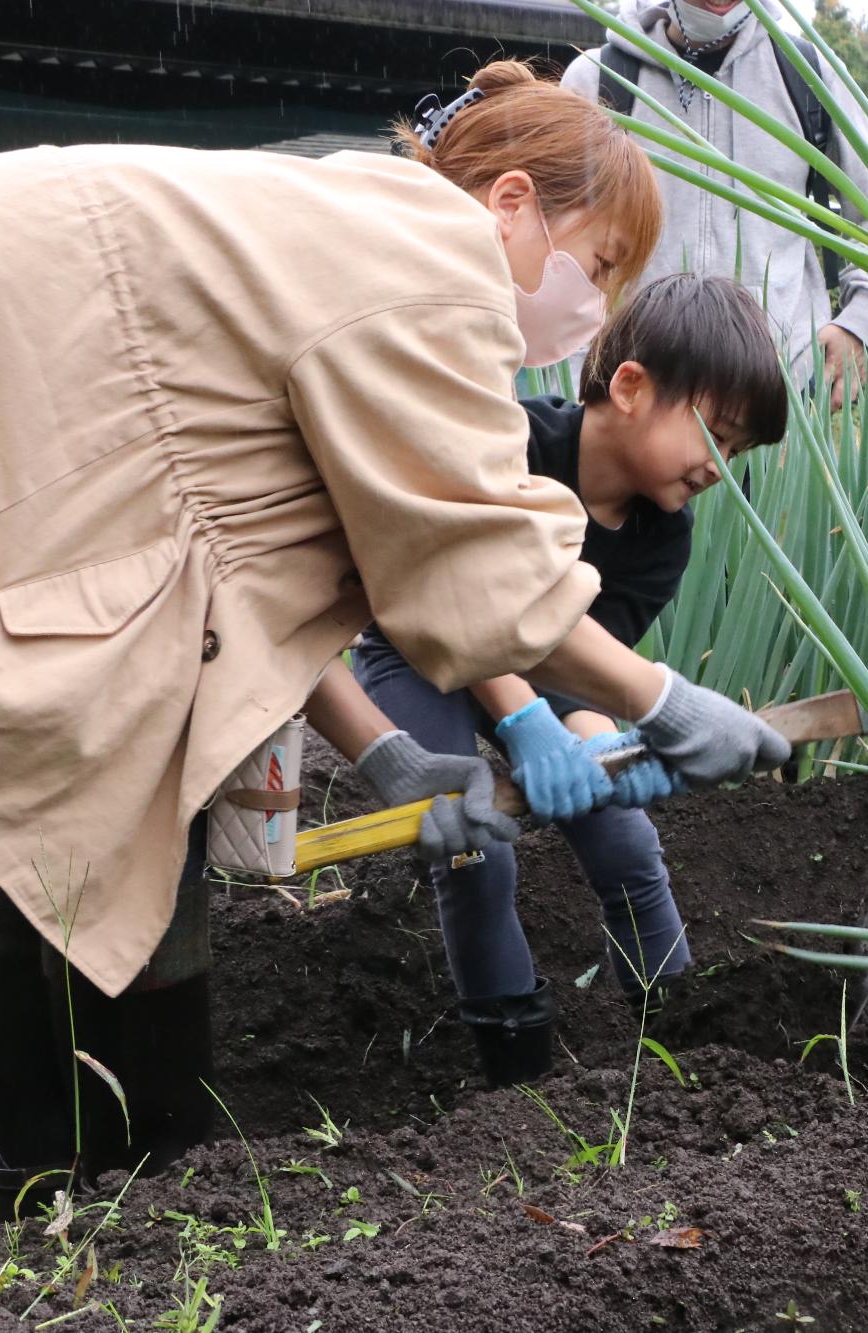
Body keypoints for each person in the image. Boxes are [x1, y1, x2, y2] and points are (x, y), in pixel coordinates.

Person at [0, 60, 788, 1194]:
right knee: (118, 787)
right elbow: (473, 571)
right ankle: (155, 1178)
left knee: (91, 786)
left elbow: (249, 582)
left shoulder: (360, 242)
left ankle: (52, 1175)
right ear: (511, 203)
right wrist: (662, 700)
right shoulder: (431, 262)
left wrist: (381, 752)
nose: (594, 296)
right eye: (603, 258)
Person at [351, 273, 789, 1086]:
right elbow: (461, 602)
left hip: (539, 671)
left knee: (626, 840)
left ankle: (687, 1053)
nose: (720, 468)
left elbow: (586, 673)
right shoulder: (513, 445)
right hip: (416, 643)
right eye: (715, 435)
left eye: (736, 452)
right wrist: (525, 726)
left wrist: (604, 749)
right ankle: (517, 1079)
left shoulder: (663, 538)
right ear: (630, 386)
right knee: (476, 849)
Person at [561, 0, 868, 408]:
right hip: (637, 395)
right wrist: (578, 380)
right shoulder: (601, 80)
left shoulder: (809, 74)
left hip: (779, 396)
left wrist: (859, 324)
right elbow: (559, 245)